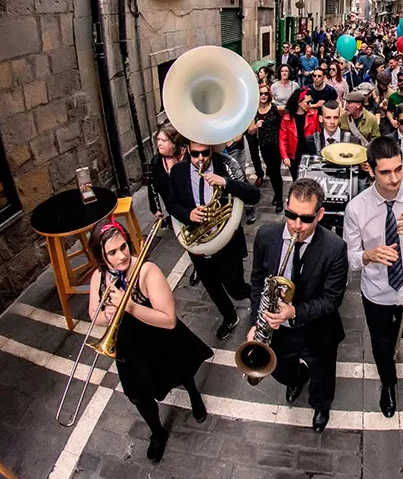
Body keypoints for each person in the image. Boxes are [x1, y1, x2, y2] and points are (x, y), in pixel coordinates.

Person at [87, 218, 213, 463]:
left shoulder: (147, 271)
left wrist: (130, 306)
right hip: (128, 347)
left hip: (158, 339)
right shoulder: (98, 277)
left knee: (180, 371)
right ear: (101, 256)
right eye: (112, 252)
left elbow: (169, 320)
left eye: (123, 247)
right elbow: (94, 315)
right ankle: (157, 432)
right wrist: (108, 314)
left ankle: (194, 395)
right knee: (137, 395)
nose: (121, 256)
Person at [343, 136, 403, 418]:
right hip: (377, 292)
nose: (394, 178)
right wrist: (368, 255)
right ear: (369, 170)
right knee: (381, 344)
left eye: (398, 169)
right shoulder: (356, 208)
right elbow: (350, 259)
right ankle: (388, 384)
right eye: (385, 172)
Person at [248, 179, 349, 432]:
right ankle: (296, 378)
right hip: (279, 330)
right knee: (281, 372)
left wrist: (294, 312)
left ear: (320, 214)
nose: (296, 225)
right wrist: (255, 324)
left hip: (317, 328)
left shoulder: (335, 248)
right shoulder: (266, 236)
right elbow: (258, 281)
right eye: (291, 215)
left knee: (323, 375)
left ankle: (320, 405)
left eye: (305, 218)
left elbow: (332, 299)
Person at [167, 140, 261, 339]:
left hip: (227, 243)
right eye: (195, 154)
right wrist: (188, 214)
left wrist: (226, 182)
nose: (200, 159)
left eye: (205, 153)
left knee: (234, 287)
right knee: (211, 285)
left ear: (211, 150)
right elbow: (171, 204)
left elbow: (254, 196)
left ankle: (255, 295)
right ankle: (229, 317)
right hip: (198, 242)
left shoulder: (227, 165)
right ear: (187, 152)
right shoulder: (178, 172)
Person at [147, 121, 186, 224]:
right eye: (158, 139)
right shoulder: (156, 161)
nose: (159, 143)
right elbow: (152, 185)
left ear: (174, 143)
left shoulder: (187, 158)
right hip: (173, 210)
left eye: (163, 140)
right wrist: (156, 208)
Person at [280, 88, 321, 180]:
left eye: (311, 101)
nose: (310, 105)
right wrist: (285, 156)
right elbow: (283, 139)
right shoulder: (287, 119)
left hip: (310, 154)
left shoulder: (313, 115)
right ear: (299, 102)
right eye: (307, 102)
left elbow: (317, 134)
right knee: (296, 180)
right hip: (294, 155)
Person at [256, 84, 285, 212]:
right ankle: (277, 194)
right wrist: (256, 125)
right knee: (272, 172)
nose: (263, 96)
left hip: (276, 145)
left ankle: (279, 199)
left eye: (265, 93)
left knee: (275, 172)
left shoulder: (274, 108)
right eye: (261, 93)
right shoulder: (255, 111)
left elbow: (287, 113)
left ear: (269, 95)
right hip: (264, 146)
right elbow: (250, 131)